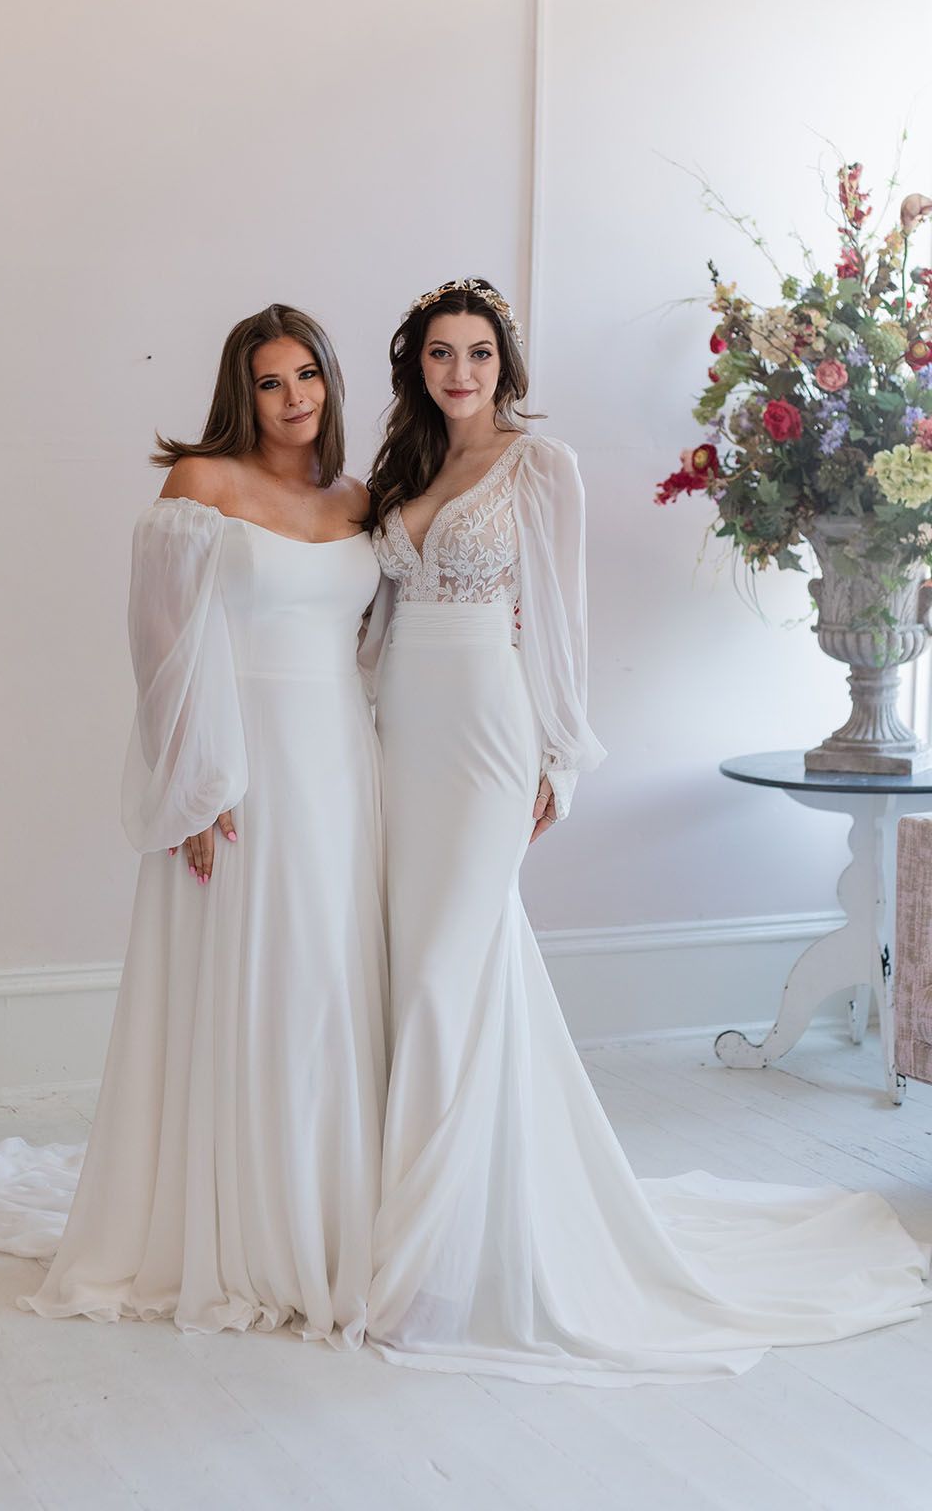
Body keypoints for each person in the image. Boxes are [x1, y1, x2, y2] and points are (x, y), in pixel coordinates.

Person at [359, 276, 930, 1384]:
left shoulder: (540, 465)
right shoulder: (403, 468)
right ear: (416, 366)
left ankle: (437, 1256)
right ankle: (443, 1217)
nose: (459, 372)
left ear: (504, 365)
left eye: (477, 353)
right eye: (440, 353)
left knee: (444, 972)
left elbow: (562, 622)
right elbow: (374, 616)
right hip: (399, 734)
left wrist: (559, 754)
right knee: (434, 975)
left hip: (486, 730)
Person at [0, 305, 388, 1348]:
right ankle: (235, 1227)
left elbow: (372, 648)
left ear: (330, 382)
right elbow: (162, 647)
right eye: (272, 382)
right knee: (252, 977)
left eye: (308, 378)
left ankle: (327, 1215)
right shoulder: (200, 487)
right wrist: (197, 785)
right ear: (244, 391)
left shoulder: (360, 499)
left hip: (342, 767)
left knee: (329, 980)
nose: (294, 400)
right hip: (245, 768)